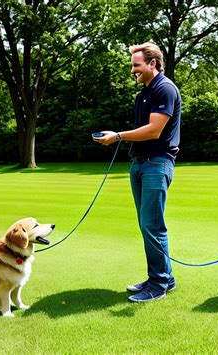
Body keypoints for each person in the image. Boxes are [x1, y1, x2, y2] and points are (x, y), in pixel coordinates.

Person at [94, 42, 181, 303]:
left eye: (136, 65)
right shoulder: (144, 93)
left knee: (152, 226)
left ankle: (159, 284)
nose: (133, 71)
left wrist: (117, 136)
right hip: (140, 162)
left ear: (152, 63)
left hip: (157, 163)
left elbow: (154, 130)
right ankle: (164, 275)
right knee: (147, 225)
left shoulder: (164, 89)